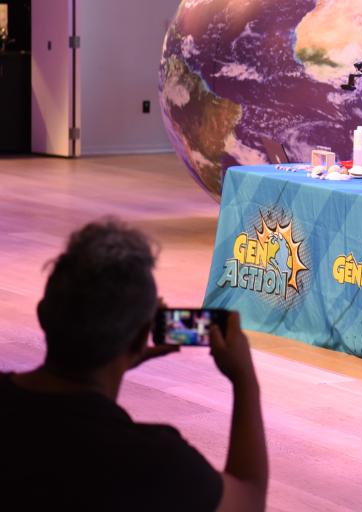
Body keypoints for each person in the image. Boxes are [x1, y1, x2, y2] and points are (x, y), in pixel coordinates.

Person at [0, 219, 268, 511]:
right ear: (142, 337)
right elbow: (249, 499)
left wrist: (122, 356)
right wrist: (245, 382)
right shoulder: (156, 461)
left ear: (43, 315)